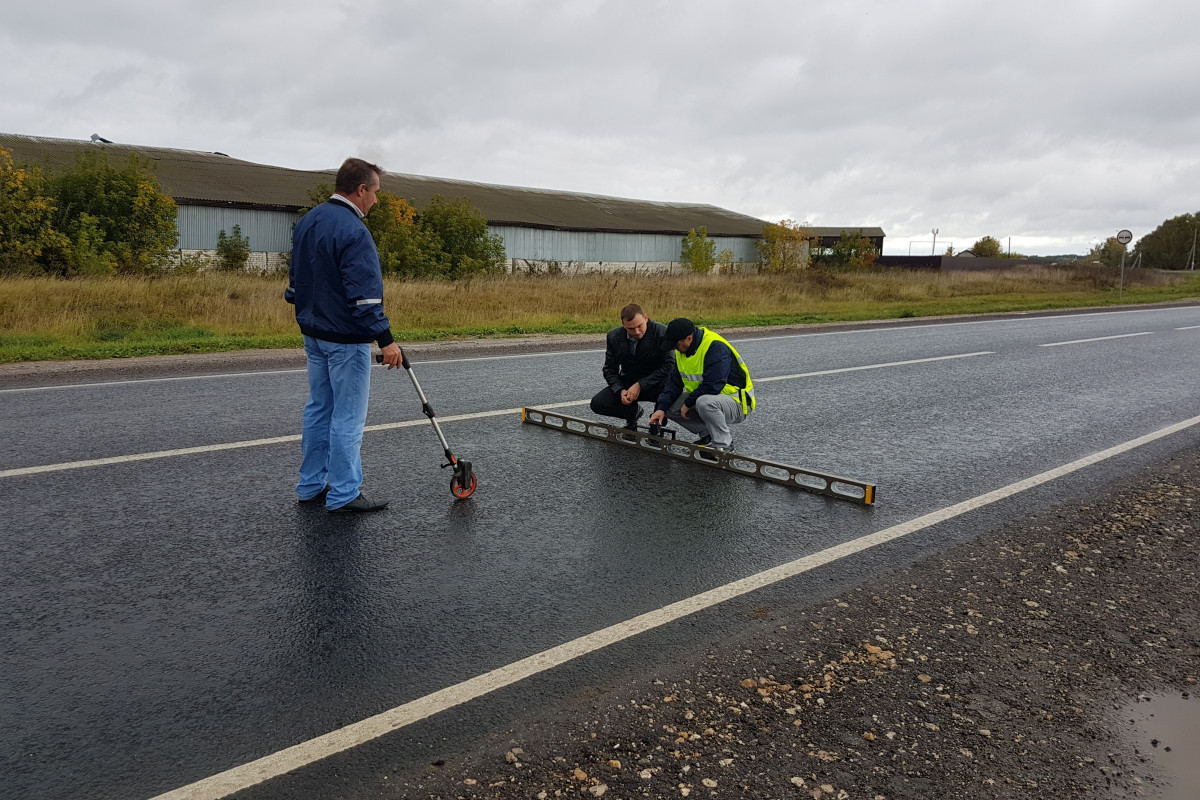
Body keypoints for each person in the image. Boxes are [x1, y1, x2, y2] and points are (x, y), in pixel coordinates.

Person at [286, 158, 403, 512]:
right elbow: (365, 296)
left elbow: (295, 281)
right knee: (347, 417)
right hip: (345, 338)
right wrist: (385, 339)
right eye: (377, 192)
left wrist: (304, 304)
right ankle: (343, 493)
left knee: (320, 408)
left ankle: (309, 486)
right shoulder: (354, 231)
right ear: (361, 189)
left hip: (313, 332)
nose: (377, 201)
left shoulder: (309, 220)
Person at [648, 318, 755, 451]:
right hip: (708, 398)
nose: (675, 349)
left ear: (689, 338)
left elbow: (713, 385)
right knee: (670, 406)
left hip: (738, 403)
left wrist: (688, 403)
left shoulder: (715, 347)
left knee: (704, 402)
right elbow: (673, 384)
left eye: (676, 345)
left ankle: (724, 445)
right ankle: (708, 436)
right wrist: (661, 409)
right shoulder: (683, 351)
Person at [590, 303, 673, 429]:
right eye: (631, 329)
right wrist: (620, 390)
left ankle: (657, 420)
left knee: (671, 387)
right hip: (629, 381)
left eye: (639, 326)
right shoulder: (614, 337)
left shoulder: (662, 332)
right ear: (623, 325)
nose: (637, 332)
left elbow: (669, 366)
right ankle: (632, 413)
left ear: (646, 318)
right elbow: (609, 369)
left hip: (656, 382)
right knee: (598, 403)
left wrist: (641, 385)